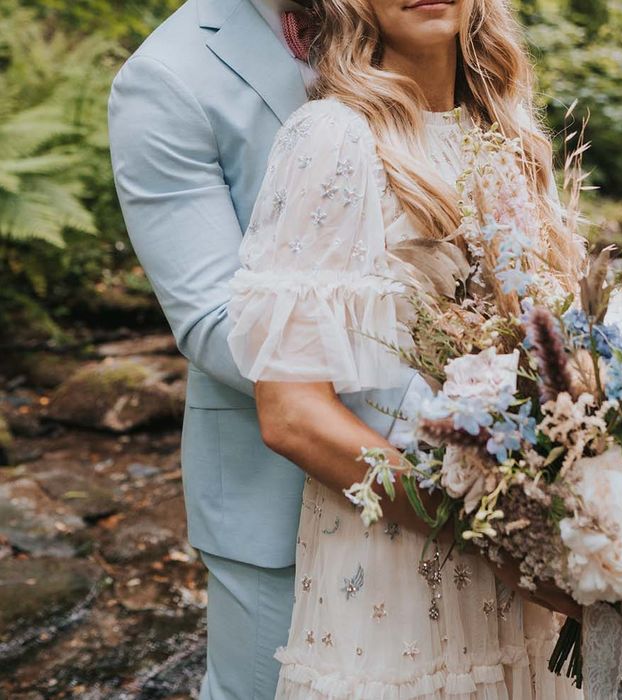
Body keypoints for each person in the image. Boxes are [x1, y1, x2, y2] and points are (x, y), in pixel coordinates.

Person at [226, 0, 585, 697]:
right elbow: (292, 415)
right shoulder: (331, 138)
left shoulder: (510, 134)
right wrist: (487, 537)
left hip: (530, 566)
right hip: (402, 553)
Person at [108, 1, 328, 697]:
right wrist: (420, 402)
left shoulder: (421, 20)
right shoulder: (166, 75)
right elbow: (212, 320)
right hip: (277, 492)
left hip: (471, 467)